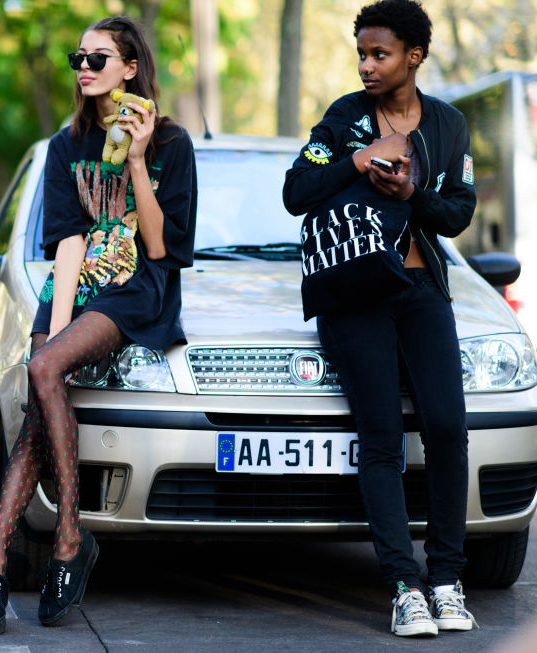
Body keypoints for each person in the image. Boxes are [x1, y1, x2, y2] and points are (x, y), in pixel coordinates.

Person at [0, 15, 197, 636]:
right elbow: (68, 243)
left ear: (131, 69)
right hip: (75, 290)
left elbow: (160, 249)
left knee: (43, 370)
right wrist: (57, 334)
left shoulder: (172, 144)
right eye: (80, 58)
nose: (86, 68)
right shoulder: (65, 146)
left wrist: (140, 158)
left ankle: (68, 538)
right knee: (40, 404)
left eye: (100, 58)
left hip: (136, 292)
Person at [283, 0, 476, 638]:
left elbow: (457, 214)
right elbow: (296, 193)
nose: (367, 64)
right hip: (357, 291)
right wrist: (359, 161)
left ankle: (447, 579)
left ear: (413, 56)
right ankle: (404, 586)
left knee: (448, 426)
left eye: (379, 53)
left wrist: (412, 194)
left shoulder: (448, 126)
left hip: (422, 291)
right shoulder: (344, 118)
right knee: (382, 438)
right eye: (361, 53)